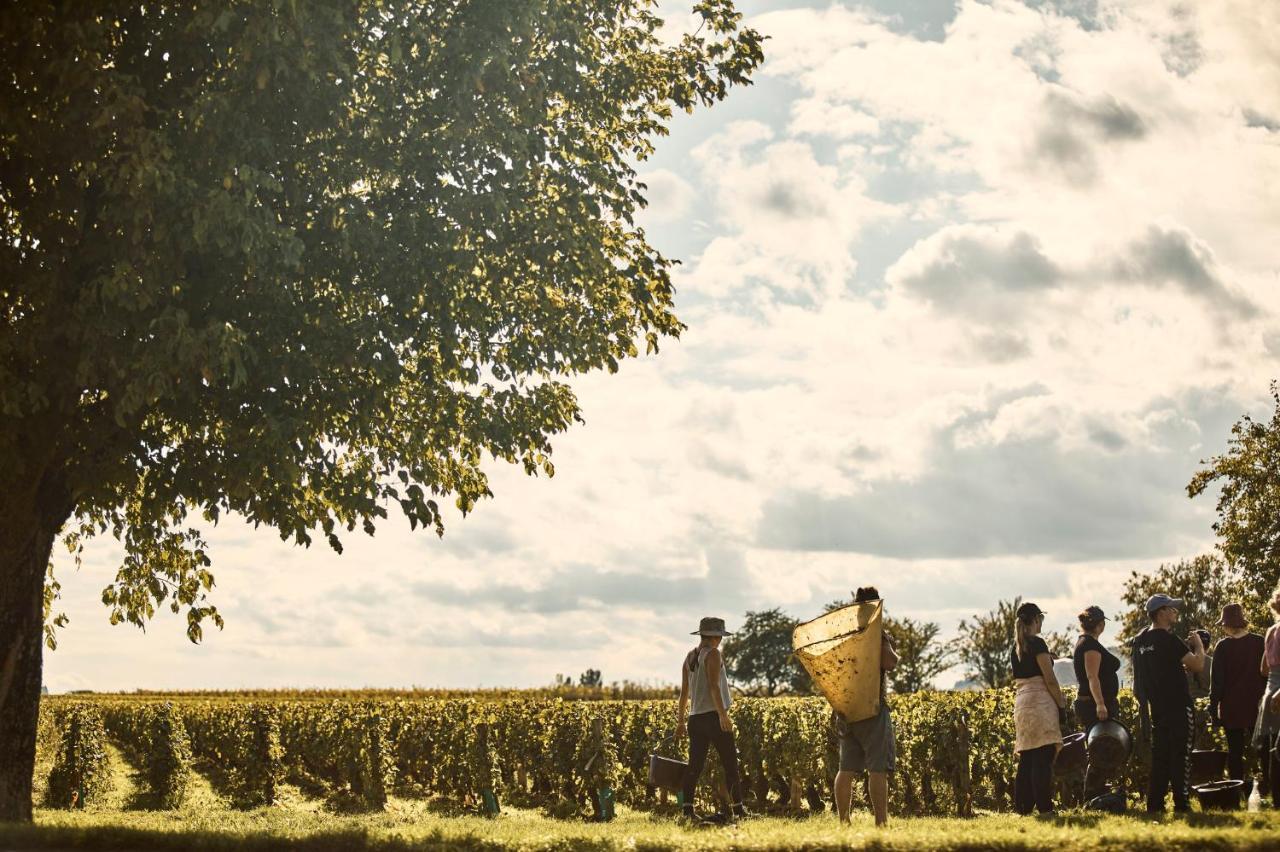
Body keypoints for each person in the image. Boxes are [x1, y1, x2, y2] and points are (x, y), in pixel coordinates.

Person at [1131, 594, 1206, 814]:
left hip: (1158, 710)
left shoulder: (1141, 642)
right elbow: (1198, 665)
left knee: (1161, 757)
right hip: (1179, 707)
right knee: (1180, 755)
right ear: (1161, 612)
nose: (1175, 612)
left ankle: (1155, 804)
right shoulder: (1170, 640)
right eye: (1172, 609)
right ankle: (1181, 805)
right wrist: (1199, 645)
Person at [833, 587, 899, 828]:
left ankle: (844, 822)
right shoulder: (875, 634)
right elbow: (890, 662)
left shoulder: (846, 635)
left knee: (846, 769)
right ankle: (881, 823)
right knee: (877, 769)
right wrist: (889, 642)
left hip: (847, 709)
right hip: (872, 709)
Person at [676, 616, 747, 823]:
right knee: (731, 764)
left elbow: (683, 693)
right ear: (716, 636)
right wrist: (723, 715)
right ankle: (739, 809)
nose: (721, 640)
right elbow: (714, 687)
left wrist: (680, 722)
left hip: (695, 719)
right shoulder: (714, 654)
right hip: (713, 717)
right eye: (721, 636)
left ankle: (687, 811)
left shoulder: (689, 657)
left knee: (694, 766)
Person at [1011, 601, 1066, 816]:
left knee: (1027, 758)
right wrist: (1061, 705)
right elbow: (1049, 679)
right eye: (1040, 618)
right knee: (1043, 758)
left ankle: (1023, 807)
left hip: (1022, 702)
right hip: (1040, 702)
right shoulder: (1038, 644)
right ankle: (1045, 808)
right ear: (1035, 620)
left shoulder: (1015, 648)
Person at [1209, 603, 1265, 791]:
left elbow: (1217, 682)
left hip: (1231, 707)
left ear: (1228, 624)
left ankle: (1236, 790)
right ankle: (1269, 787)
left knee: (1235, 752)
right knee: (1264, 748)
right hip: (1257, 704)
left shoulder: (1222, 647)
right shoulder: (1260, 642)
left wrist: (1213, 708)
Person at [1072, 605, 1121, 799]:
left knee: (1102, 747)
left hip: (1095, 703)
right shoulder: (1089, 645)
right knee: (1100, 748)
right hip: (1094, 705)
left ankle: (1097, 790)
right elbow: (1092, 677)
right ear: (1100, 625)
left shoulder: (1086, 642)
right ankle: (1092, 793)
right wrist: (1100, 704)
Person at [1254, 583, 1280, 806]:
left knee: (1273, 747)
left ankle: (1277, 798)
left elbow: (1263, 669)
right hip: (1279, 692)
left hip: (1270, 690)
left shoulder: (1271, 631)